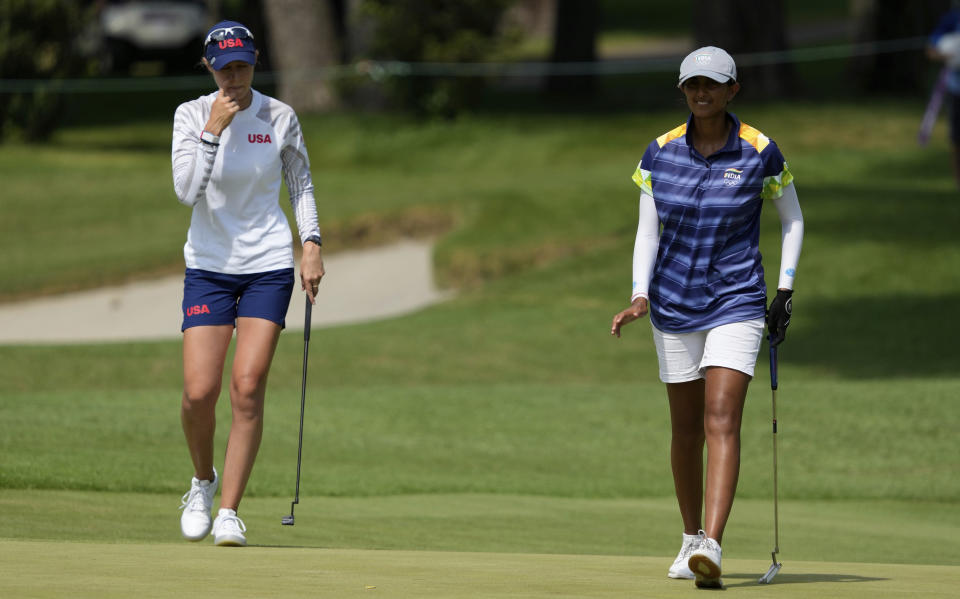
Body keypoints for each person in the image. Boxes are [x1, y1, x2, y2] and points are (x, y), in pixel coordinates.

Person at [609, 46, 803, 588]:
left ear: (732, 90)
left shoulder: (759, 150)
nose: (702, 93)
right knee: (686, 428)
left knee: (722, 417)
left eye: (712, 85)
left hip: (737, 300)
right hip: (672, 303)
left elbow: (792, 218)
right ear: (682, 90)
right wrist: (639, 295)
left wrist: (784, 288)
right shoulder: (660, 153)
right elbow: (648, 233)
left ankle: (712, 545)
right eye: (693, 84)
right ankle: (691, 536)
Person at [172, 20, 325, 547]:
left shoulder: (279, 116)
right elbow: (186, 191)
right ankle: (202, 482)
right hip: (209, 266)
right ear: (209, 67)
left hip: (267, 264)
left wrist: (311, 244)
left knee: (247, 386)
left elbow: (300, 183)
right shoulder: (190, 115)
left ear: (254, 62)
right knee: (199, 392)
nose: (234, 76)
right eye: (224, 67)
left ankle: (230, 511)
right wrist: (212, 130)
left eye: (242, 65)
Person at [927, 3, 960, 187]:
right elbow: (931, 51)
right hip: (957, 89)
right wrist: (949, 55)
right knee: (957, 138)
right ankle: (958, 182)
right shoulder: (952, 18)